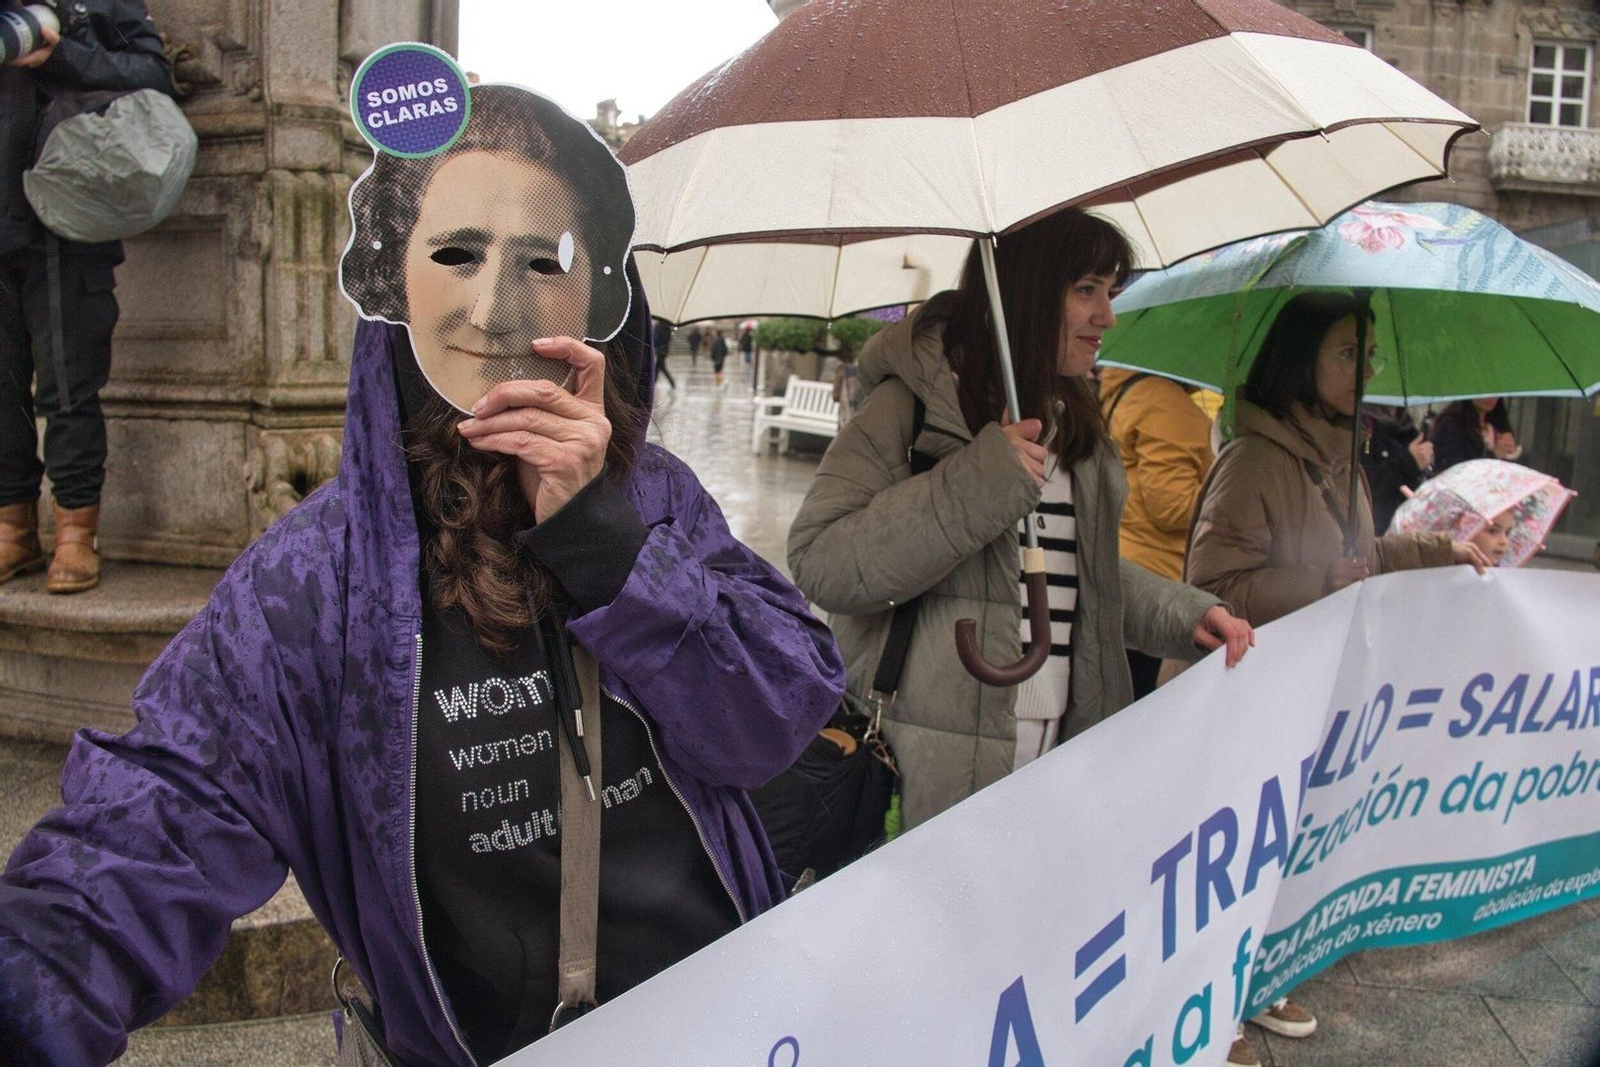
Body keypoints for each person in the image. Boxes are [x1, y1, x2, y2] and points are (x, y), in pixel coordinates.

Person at [0, 83, 845, 1066]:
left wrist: (606, 543)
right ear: (392, 282)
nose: (494, 307)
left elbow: (781, 710)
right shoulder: (310, 584)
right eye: (457, 253)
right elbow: (144, 834)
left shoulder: (655, 497)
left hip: (735, 1026)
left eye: (541, 260)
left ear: (600, 296)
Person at [788, 208, 1254, 834]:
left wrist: (1184, 615)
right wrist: (979, 483)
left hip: (1061, 740)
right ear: (1026, 294)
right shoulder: (909, 408)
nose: (1106, 316)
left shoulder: (1075, 421)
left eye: (1110, 292)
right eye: (1085, 290)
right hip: (933, 755)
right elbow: (823, 563)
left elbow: (1072, 569)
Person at [1180, 292, 1488, 1067]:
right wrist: (1321, 582)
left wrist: (1445, 553)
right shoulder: (1252, 460)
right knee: (1229, 856)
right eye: (1347, 351)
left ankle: (1261, 974)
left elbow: (1368, 555)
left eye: (1369, 353)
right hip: (1239, 694)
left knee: (1284, 840)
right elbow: (1209, 585)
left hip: (1304, 691)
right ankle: (1214, 1011)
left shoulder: (1339, 454)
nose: (1365, 368)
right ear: (1300, 360)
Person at [0, 0, 173, 593]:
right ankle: (13, 529)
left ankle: (75, 533)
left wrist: (61, 52)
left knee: (67, 387)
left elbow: (153, 75)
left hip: (66, 222)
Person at [1098, 367, 1214, 698]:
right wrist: (1225, 491)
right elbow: (1171, 507)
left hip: (1126, 560)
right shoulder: (1167, 404)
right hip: (1155, 578)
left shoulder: (1132, 391)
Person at [1361, 404, 1432, 534]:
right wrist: (1409, 462)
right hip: (1376, 531)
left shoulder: (1407, 427)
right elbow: (1365, 483)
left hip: (1407, 528)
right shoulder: (1363, 426)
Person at [1429, 396, 1519, 474]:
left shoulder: (1498, 426)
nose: (1490, 397)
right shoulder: (1451, 425)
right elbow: (1453, 469)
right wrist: (1494, 454)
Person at [652, 316, 676, 391]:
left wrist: (654, 346)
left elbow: (656, 338)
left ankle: (672, 383)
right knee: (657, 367)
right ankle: (653, 383)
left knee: (661, 367)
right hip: (663, 350)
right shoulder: (667, 327)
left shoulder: (660, 327)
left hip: (660, 350)